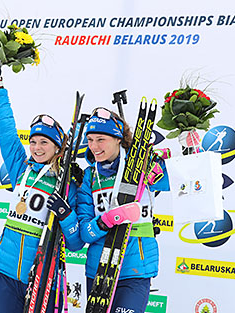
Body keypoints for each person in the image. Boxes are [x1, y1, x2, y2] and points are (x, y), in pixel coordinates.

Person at [0, 64, 84, 313]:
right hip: (8, 271)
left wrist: (66, 215)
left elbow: (75, 243)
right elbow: (7, 131)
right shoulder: (21, 168)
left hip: (44, 274)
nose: (37, 148)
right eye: (33, 142)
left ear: (57, 147)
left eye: (44, 142)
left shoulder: (68, 183)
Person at [77, 107, 159, 313]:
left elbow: (184, 179)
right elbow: (85, 233)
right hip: (100, 268)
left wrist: (188, 146)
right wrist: (109, 219)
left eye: (101, 139)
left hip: (135, 268)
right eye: (90, 140)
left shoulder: (143, 166)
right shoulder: (90, 177)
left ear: (118, 139)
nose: (94, 146)